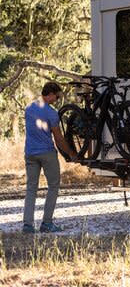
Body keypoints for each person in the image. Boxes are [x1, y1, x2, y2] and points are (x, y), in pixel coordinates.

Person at [22, 81, 76, 233]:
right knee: (53, 186)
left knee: (31, 188)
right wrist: (71, 153)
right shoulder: (51, 113)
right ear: (51, 94)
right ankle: (46, 223)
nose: (57, 100)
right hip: (46, 153)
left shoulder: (29, 108)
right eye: (56, 97)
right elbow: (59, 139)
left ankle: (28, 225)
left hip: (30, 153)